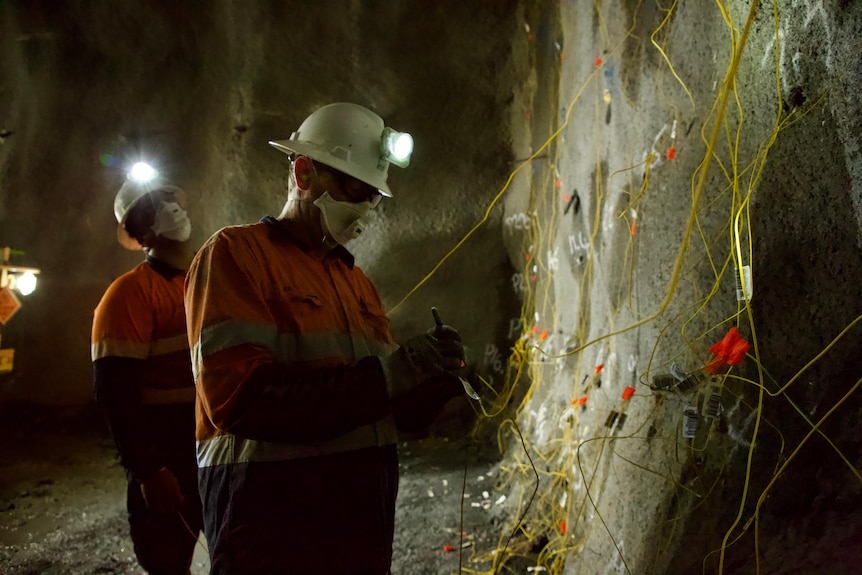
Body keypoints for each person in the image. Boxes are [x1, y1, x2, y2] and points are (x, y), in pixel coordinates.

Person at [184, 102, 472, 574]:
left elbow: (383, 413)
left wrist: (433, 379)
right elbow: (241, 401)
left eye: (375, 195)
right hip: (271, 522)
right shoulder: (236, 255)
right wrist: (391, 374)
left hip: (358, 521)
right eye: (355, 187)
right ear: (303, 173)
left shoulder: (354, 282)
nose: (367, 206)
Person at [91, 170, 204, 575]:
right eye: (152, 207)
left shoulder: (206, 282)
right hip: (167, 456)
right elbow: (115, 394)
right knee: (168, 561)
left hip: (214, 451)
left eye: (167, 199)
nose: (168, 210)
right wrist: (149, 471)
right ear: (141, 235)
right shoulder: (128, 295)